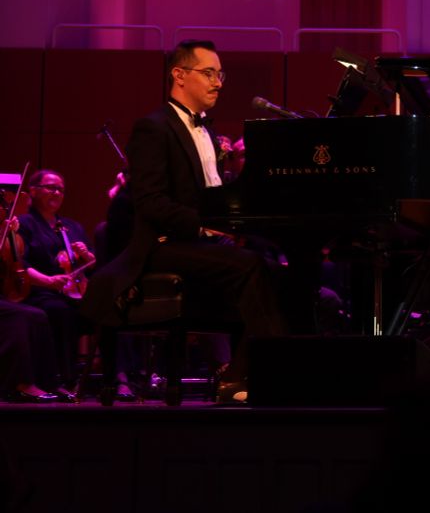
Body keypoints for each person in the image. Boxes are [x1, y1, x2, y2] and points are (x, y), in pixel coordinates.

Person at [81, 40, 286, 403]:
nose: (218, 83)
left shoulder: (207, 130)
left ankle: (249, 374)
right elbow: (150, 203)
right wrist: (204, 227)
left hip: (196, 245)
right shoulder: (153, 127)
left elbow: (213, 195)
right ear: (179, 75)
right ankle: (251, 376)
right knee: (252, 266)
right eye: (209, 73)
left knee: (278, 270)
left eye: (220, 74)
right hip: (162, 246)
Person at [15, 169, 96, 401]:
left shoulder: (70, 226)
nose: (57, 192)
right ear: (33, 191)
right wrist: (48, 281)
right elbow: (20, 264)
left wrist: (87, 256)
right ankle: (61, 379)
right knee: (60, 312)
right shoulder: (24, 223)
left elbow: (89, 265)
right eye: (51, 187)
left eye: (60, 189)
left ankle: (113, 378)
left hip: (72, 293)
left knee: (106, 312)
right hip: (39, 292)